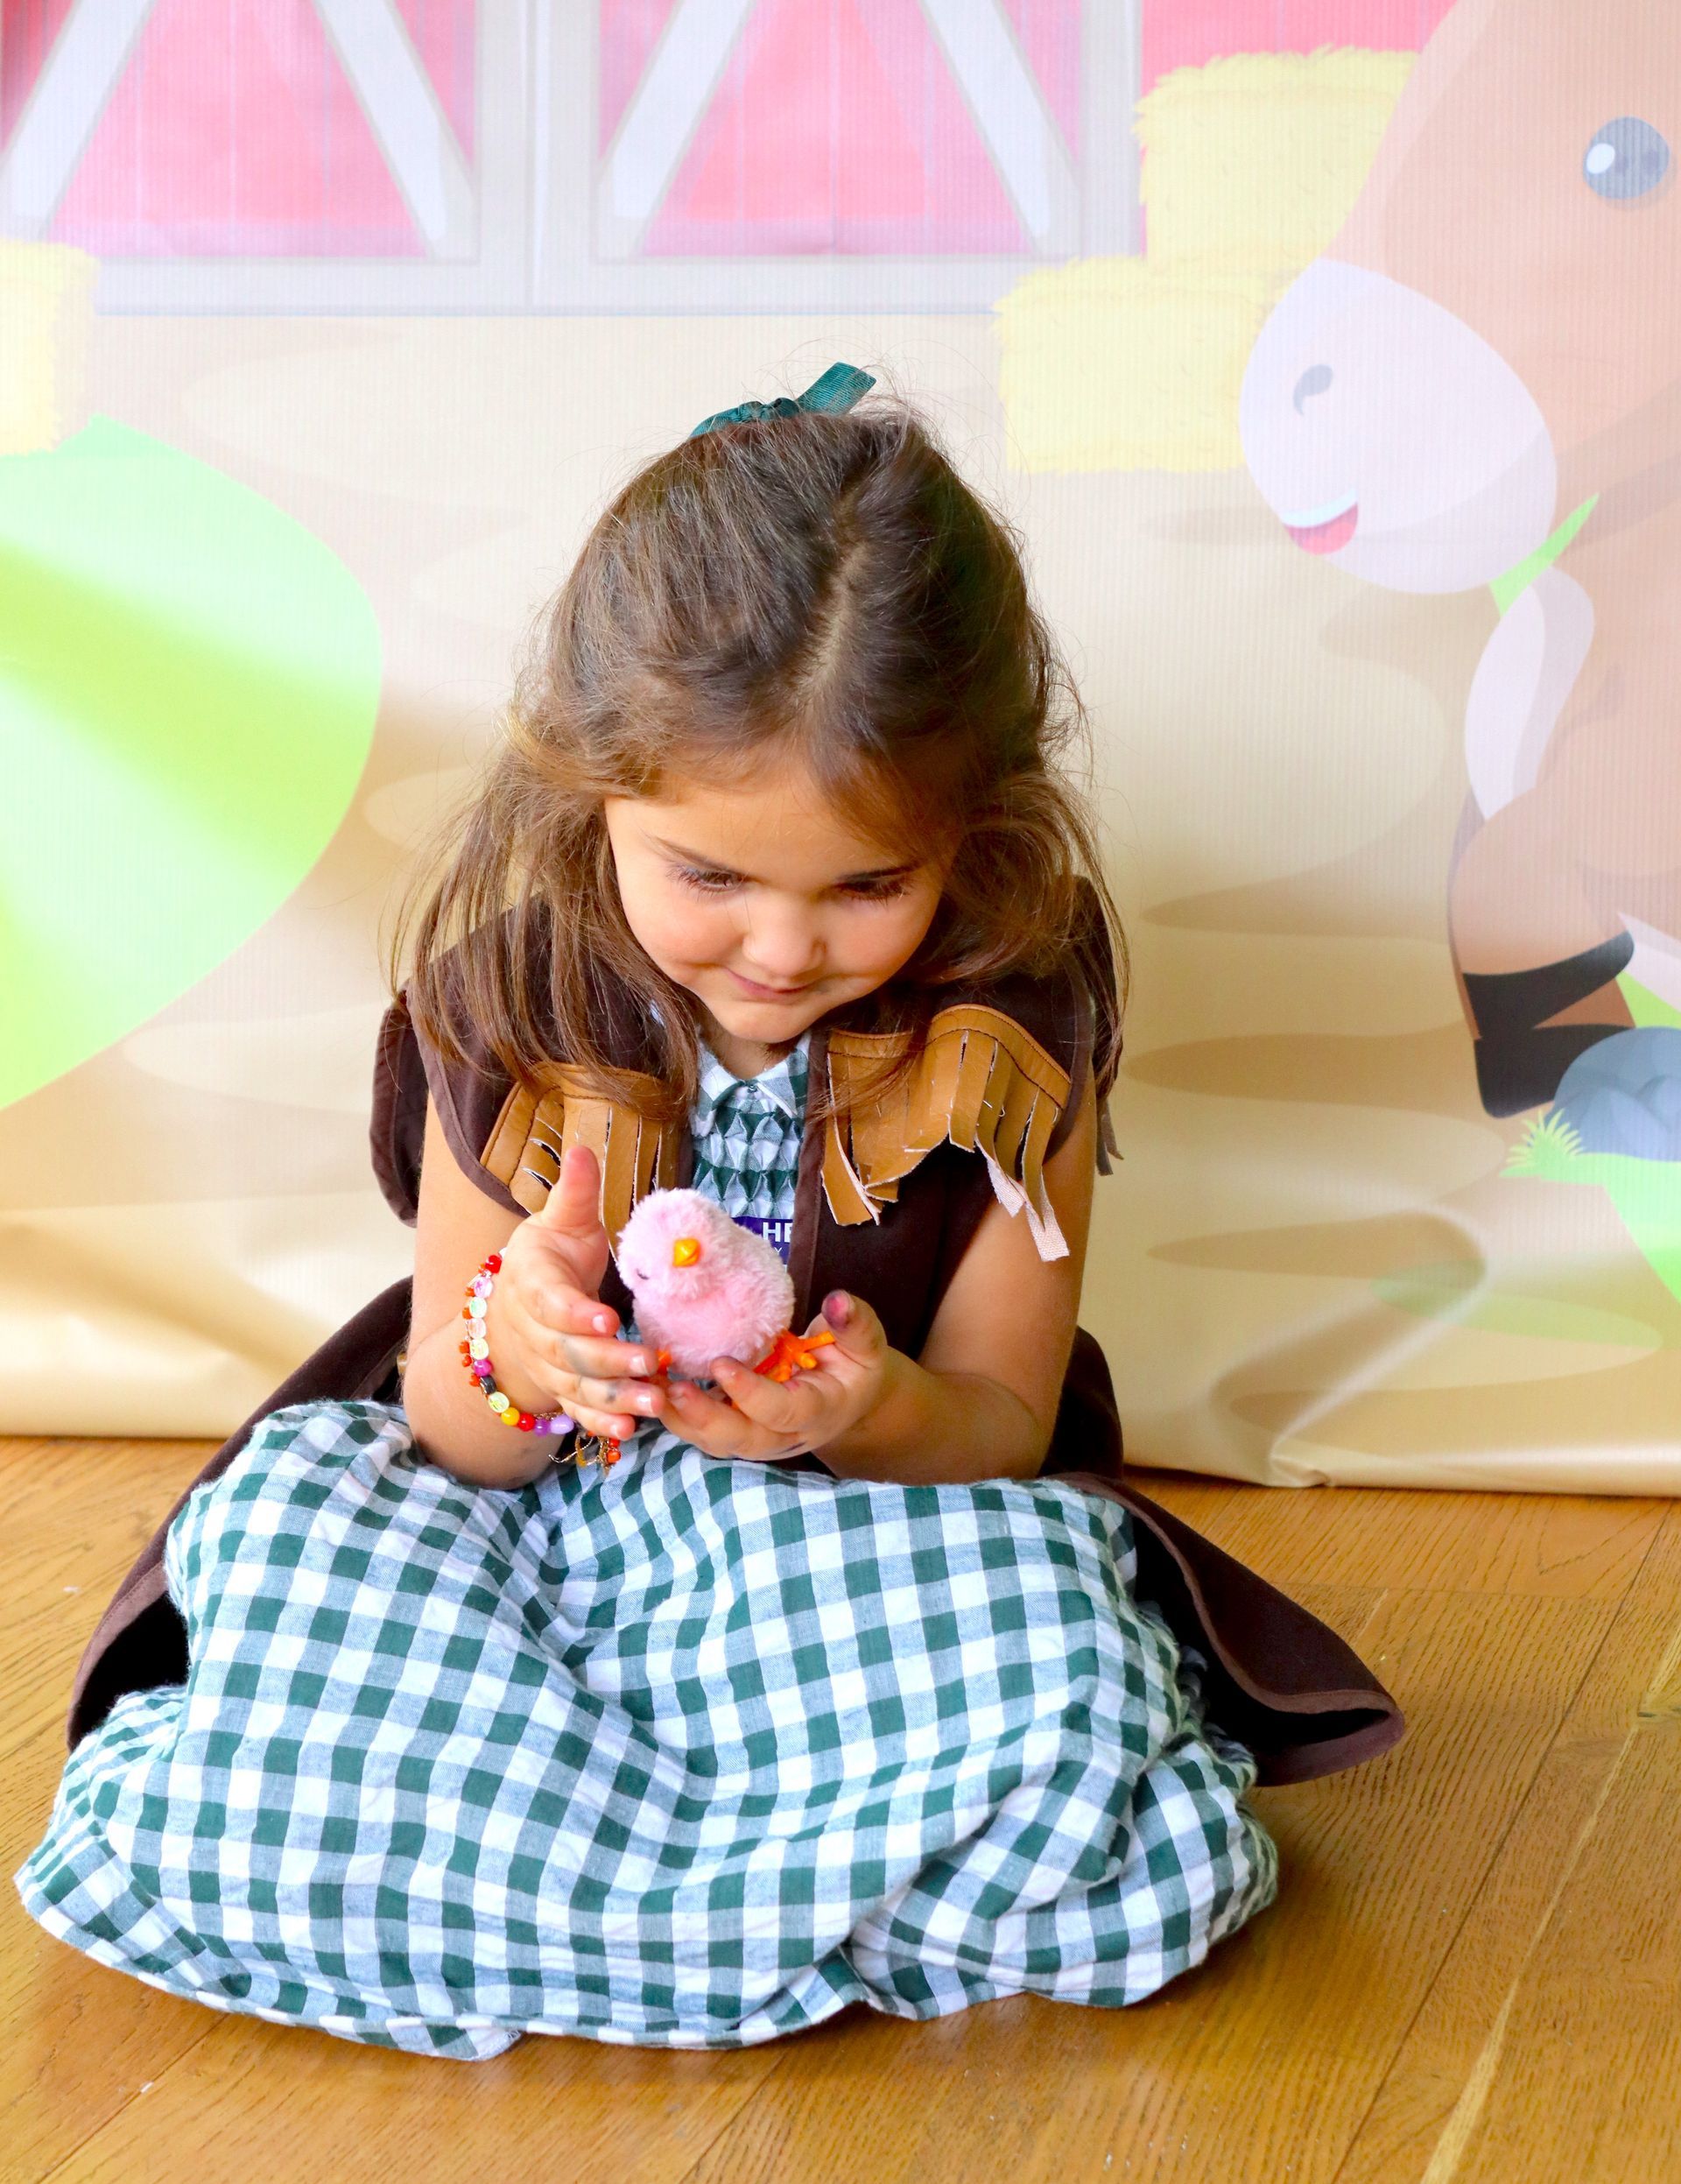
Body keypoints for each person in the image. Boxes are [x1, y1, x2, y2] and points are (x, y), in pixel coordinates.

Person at [16, 367, 1400, 2061]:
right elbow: (454, 1432)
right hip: (526, 1548)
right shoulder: (512, 1011)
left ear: (975, 828)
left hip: (852, 1544)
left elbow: (1004, 1420)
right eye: (708, 874)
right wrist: (519, 1340)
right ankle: (719, 1887)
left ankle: (554, 1893)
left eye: (870, 886)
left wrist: (873, 1405)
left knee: (1051, 1662)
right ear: (592, 787)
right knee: (306, 1573)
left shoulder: (1003, 1052)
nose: (781, 948)